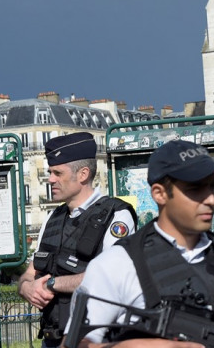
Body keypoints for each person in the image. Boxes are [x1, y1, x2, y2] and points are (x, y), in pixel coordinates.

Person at [62, 140, 214, 348]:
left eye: (211, 187)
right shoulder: (118, 264)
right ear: (159, 194)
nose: (210, 199)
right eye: (195, 190)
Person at [17, 132, 136, 348]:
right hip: (52, 339)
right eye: (50, 172)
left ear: (83, 174)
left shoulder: (116, 216)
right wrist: (26, 287)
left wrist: (51, 284)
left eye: (57, 173)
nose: (50, 179)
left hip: (93, 340)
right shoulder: (53, 219)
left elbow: (111, 278)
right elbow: (31, 271)